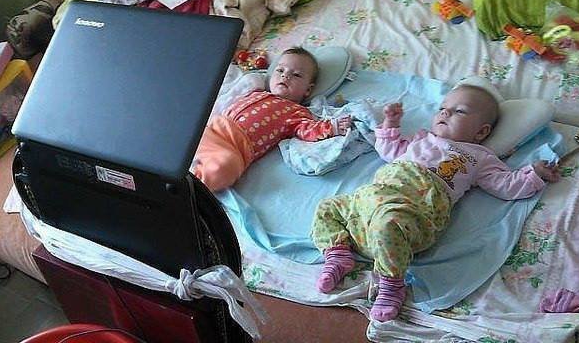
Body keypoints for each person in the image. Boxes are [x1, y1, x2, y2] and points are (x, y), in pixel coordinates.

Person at [310, 84, 559, 322]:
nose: (445, 113)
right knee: (328, 207)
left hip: (413, 213)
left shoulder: (479, 157)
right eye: (442, 108)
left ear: (481, 132)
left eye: (459, 111)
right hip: (370, 202)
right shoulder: (421, 138)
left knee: (389, 222)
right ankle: (337, 254)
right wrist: (390, 124)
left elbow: (505, 184)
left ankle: (391, 284)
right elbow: (388, 150)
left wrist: (534, 174)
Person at [192, 47, 351, 191]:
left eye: (296, 75)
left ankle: (191, 185)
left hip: (233, 149)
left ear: (308, 90)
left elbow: (308, 131)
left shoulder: (296, 111)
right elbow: (229, 94)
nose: (285, 75)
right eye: (280, 70)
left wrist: (332, 127)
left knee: (226, 166)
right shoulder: (257, 91)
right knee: (187, 131)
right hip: (211, 131)